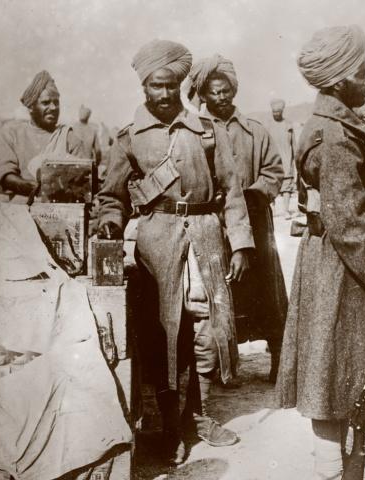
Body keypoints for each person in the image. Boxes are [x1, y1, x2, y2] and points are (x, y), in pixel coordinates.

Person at [275, 25, 365, 480]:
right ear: (340, 81)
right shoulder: (337, 136)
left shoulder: (330, 127)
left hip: (333, 267)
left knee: (338, 380)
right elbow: (350, 228)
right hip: (342, 273)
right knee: (335, 383)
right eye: (362, 73)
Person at [96, 39, 253, 464]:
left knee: (208, 332)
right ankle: (169, 423)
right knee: (165, 336)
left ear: (181, 84)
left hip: (205, 238)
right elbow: (111, 195)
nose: (163, 95)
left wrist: (239, 243)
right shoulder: (128, 138)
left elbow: (232, 192)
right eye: (155, 86)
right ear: (144, 86)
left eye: (170, 86)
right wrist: (111, 220)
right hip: (156, 242)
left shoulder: (206, 130)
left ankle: (198, 417)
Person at [188, 53, 288, 383]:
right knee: (220, 294)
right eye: (214, 92)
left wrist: (254, 195)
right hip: (215, 226)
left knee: (268, 295)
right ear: (202, 95)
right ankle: (221, 366)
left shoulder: (255, 132)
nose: (221, 97)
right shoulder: (195, 132)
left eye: (226, 90)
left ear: (234, 91)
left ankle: (278, 359)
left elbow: (275, 171)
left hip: (257, 225)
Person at [0, 70, 85, 201]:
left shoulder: (69, 138)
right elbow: (5, 175)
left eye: (56, 102)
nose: (53, 107)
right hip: (21, 207)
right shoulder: (12, 134)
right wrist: (35, 188)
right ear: (31, 106)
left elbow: (82, 179)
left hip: (61, 208)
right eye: (46, 103)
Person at [264, 98, 297, 218]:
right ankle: (272, 209)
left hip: (286, 159)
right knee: (271, 183)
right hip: (272, 160)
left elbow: (294, 143)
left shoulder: (288, 124)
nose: (276, 114)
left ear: (282, 111)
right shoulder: (268, 125)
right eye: (274, 111)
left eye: (278, 111)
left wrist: (295, 157)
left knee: (287, 185)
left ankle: (286, 210)